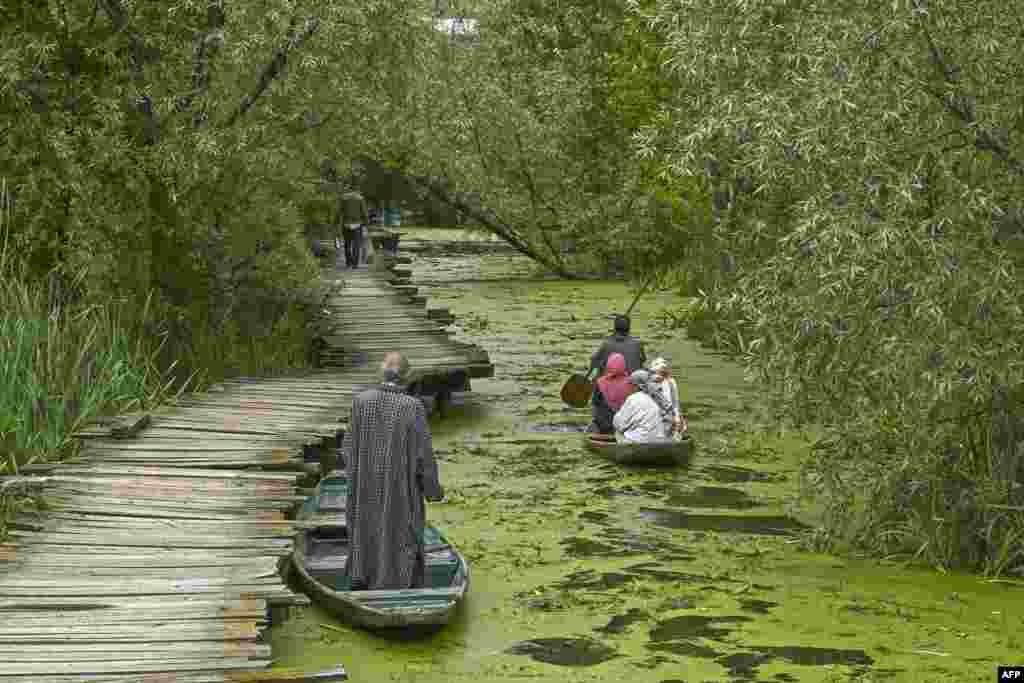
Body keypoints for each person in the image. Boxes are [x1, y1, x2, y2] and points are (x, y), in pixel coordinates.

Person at [341, 352, 444, 591]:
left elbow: (347, 450)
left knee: (364, 530)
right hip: (399, 492)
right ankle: (400, 583)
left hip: (364, 490)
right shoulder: (413, 407)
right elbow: (423, 457)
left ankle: (362, 579)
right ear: (407, 378)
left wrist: (359, 477)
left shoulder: (360, 402)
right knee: (401, 533)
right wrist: (433, 490)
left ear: (381, 372)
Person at [613, 370, 666, 443]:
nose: (629, 387)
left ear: (636, 386)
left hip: (640, 440)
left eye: (631, 384)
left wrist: (617, 416)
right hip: (659, 440)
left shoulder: (633, 398)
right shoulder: (655, 397)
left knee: (618, 432)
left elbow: (621, 425)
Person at [591, 353, 631, 434]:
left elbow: (595, 402)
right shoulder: (631, 383)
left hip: (604, 424)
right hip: (625, 424)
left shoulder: (600, 382)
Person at [650, 357, 687, 436]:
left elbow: (675, 403)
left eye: (661, 373)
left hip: (666, 417)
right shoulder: (670, 382)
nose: (658, 376)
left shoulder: (670, 382)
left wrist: (677, 418)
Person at [339, 191, 368, 268]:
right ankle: (355, 264)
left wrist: (335, 222)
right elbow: (364, 212)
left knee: (347, 244)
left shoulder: (344, 198)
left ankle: (348, 262)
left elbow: (339, 211)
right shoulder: (360, 198)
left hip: (346, 224)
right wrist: (366, 223)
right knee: (356, 245)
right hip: (357, 224)